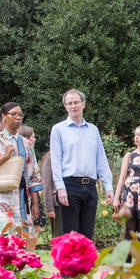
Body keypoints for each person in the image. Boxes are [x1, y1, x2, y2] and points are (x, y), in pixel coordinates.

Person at [49, 89, 114, 240]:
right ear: (65, 107)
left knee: (87, 235)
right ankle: (70, 264)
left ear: (83, 104)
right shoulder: (58, 130)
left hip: (90, 186)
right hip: (69, 185)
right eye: (69, 103)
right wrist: (60, 187)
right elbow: (56, 161)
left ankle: (86, 264)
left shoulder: (93, 130)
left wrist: (108, 186)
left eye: (76, 102)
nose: (73, 106)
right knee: (72, 235)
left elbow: (101, 160)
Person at [0, 102, 43, 239]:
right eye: (13, 114)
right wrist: (5, 157)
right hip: (0, 197)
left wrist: (36, 202)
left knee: (22, 239)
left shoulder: (26, 144)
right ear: (4, 117)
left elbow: (34, 174)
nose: (18, 117)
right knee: (2, 239)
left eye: (20, 115)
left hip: (23, 199)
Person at [113, 125, 140, 240]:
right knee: (129, 229)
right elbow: (121, 177)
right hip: (130, 195)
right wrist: (117, 197)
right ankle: (127, 258)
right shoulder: (130, 155)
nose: (136, 137)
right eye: (135, 135)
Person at [18, 125, 46, 250]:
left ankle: (30, 253)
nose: (34, 139)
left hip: (31, 195)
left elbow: (34, 178)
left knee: (34, 226)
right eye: (33, 137)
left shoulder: (31, 153)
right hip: (23, 195)